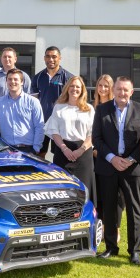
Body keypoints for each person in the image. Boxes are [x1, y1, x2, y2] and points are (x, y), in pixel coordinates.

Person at [92, 76, 140, 265]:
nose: (122, 93)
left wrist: (130, 159)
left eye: (126, 90)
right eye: (119, 89)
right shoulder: (102, 109)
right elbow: (97, 138)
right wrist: (112, 158)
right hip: (108, 167)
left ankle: (135, 251)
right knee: (109, 208)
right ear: (113, 90)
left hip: (132, 169)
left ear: (131, 92)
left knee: (134, 210)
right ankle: (111, 247)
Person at [45, 76, 96, 205]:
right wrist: (64, 148)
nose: (75, 89)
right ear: (67, 88)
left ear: (82, 90)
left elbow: (93, 133)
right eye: (72, 86)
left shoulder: (89, 109)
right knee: (63, 189)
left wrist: (81, 150)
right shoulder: (59, 107)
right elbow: (53, 130)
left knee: (84, 189)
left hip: (84, 153)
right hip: (63, 152)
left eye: (78, 87)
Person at [92, 74, 124, 243]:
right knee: (101, 197)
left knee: (117, 198)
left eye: (106, 86)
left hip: (113, 159)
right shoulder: (92, 107)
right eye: (100, 85)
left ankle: (116, 229)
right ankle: (103, 228)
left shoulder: (115, 108)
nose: (103, 89)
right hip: (95, 159)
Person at [30, 46, 74, 157]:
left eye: (54, 57)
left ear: (60, 58)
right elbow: (34, 103)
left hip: (60, 124)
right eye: (48, 56)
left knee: (59, 154)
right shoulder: (38, 78)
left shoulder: (69, 78)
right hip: (42, 123)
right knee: (40, 153)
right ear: (44, 58)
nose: (51, 59)